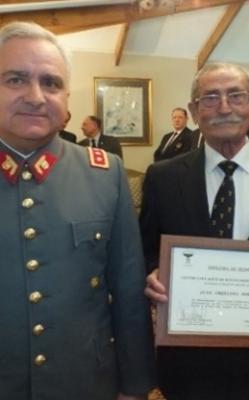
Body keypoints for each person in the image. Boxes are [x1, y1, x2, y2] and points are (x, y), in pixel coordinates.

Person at [0, 21, 156, 400]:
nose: (36, 96)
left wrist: (135, 386)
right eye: (15, 80)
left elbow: (128, 289)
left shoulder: (104, 173)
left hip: (85, 382)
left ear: (68, 98)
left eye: (51, 83)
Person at [140, 62, 249, 400]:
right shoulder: (162, 177)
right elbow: (144, 248)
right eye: (210, 98)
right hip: (191, 362)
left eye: (235, 96)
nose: (224, 107)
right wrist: (151, 273)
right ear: (193, 110)